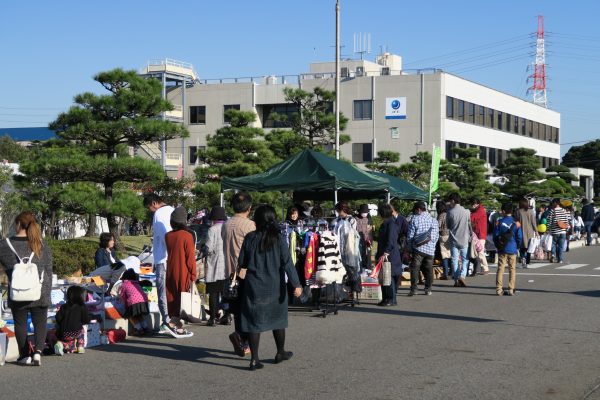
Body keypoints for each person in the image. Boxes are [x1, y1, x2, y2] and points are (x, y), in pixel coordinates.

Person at [238, 205, 302, 370]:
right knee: (278, 319)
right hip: (275, 286)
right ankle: (280, 352)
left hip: (253, 285)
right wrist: (296, 284)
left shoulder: (250, 238)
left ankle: (254, 359)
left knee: (253, 321)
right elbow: (288, 263)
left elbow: (242, 263)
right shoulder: (278, 238)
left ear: (257, 220)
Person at [0, 212, 53, 366]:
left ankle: (25, 355)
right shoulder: (41, 245)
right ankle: (38, 352)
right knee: (40, 323)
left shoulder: (4, 245)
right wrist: (47, 293)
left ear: (18, 224)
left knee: (20, 324)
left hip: (17, 291)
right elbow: (48, 271)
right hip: (39, 291)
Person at [222, 192, 255, 356]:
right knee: (248, 309)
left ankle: (241, 340)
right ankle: (243, 340)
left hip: (229, 272)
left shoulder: (226, 224)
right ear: (249, 208)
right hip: (244, 272)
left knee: (236, 309)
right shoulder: (250, 225)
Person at [143, 193, 174, 332]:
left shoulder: (159, 214)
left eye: (149, 207)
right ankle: (173, 319)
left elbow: (165, 235)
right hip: (173, 258)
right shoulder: (172, 210)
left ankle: (166, 320)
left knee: (162, 290)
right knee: (172, 290)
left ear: (154, 203)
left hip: (163, 257)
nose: (150, 210)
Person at [164, 206, 196, 337]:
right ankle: (171, 325)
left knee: (172, 298)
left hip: (170, 270)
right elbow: (190, 259)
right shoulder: (187, 236)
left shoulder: (168, 236)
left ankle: (179, 328)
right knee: (180, 301)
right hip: (182, 272)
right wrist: (193, 275)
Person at [406, 201, 439, 296]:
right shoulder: (434, 220)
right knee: (428, 269)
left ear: (419, 209)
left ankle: (414, 289)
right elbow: (436, 236)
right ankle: (428, 289)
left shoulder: (415, 220)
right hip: (430, 250)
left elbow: (410, 236)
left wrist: (409, 248)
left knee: (415, 269)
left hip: (418, 249)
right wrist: (432, 246)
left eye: (415, 211)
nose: (415, 213)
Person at [493, 203, 522, 296]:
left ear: (503, 211)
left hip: (502, 248)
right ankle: (511, 289)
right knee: (512, 269)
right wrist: (517, 245)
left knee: (500, 269)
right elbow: (519, 237)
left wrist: (498, 245)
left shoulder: (499, 222)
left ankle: (498, 289)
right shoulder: (516, 223)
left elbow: (495, 236)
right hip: (512, 248)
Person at [375, 203, 401, 306]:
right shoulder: (385, 223)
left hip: (390, 254)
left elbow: (391, 240)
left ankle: (392, 299)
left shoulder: (392, 224)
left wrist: (386, 252)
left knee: (389, 277)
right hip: (383, 253)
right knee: (383, 277)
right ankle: (385, 298)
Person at [205, 206, 227, 327]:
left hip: (215, 265)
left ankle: (212, 318)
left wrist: (203, 248)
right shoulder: (227, 228)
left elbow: (209, 248)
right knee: (225, 293)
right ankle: (226, 316)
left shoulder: (212, 230)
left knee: (213, 293)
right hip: (226, 266)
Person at [54, 285, 89, 356]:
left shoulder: (64, 306)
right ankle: (80, 347)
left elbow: (58, 318)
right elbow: (86, 319)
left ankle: (62, 344)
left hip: (64, 333)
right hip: (77, 332)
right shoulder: (82, 306)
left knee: (67, 340)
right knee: (82, 330)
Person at [446, 193, 471, 287]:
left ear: (453, 200)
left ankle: (456, 279)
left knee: (454, 260)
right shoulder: (467, 211)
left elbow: (448, 226)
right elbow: (469, 224)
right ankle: (463, 276)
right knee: (465, 259)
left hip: (453, 239)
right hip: (464, 238)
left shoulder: (450, 212)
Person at [119, 269, 150, 336]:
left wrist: (124, 303)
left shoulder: (124, 284)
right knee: (139, 315)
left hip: (133, 301)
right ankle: (145, 328)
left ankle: (139, 329)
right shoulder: (136, 283)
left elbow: (123, 296)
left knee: (131, 316)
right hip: (143, 301)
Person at [514, 199, 538, 268]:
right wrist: (536, 231)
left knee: (522, 247)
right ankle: (527, 262)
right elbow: (533, 222)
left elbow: (515, 222)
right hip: (529, 232)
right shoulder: (531, 211)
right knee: (529, 247)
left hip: (520, 231)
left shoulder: (518, 212)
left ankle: (522, 258)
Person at [547, 198, 570, 263]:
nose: (552, 204)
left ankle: (553, 255)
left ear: (556, 203)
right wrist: (566, 229)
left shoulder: (552, 211)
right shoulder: (564, 210)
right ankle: (560, 259)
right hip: (563, 231)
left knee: (553, 244)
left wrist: (548, 229)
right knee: (561, 246)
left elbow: (549, 221)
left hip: (555, 231)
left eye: (553, 203)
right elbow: (567, 221)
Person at [470, 199, 489, 275]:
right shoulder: (480, 209)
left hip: (480, 234)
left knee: (480, 251)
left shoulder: (480, 210)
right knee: (479, 251)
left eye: (473, 204)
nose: (472, 206)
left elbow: (472, 218)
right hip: (479, 233)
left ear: (477, 204)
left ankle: (485, 268)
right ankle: (483, 268)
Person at [436, 201, 451, 280]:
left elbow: (437, 225)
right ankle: (453, 272)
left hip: (443, 235)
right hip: (451, 236)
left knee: (444, 255)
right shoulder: (449, 214)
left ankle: (445, 274)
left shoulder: (441, 215)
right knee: (451, 254)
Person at [355, 204, 373, 271]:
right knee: (359, 254)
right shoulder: (355, 219)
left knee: (368, 254)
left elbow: (371, 231)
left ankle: (368, 268)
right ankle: (360, 267)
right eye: (363, 212)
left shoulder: (369, 219)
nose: (364, 214)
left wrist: (370, 241)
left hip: (367, 240)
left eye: (366, 212)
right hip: (358, 240)